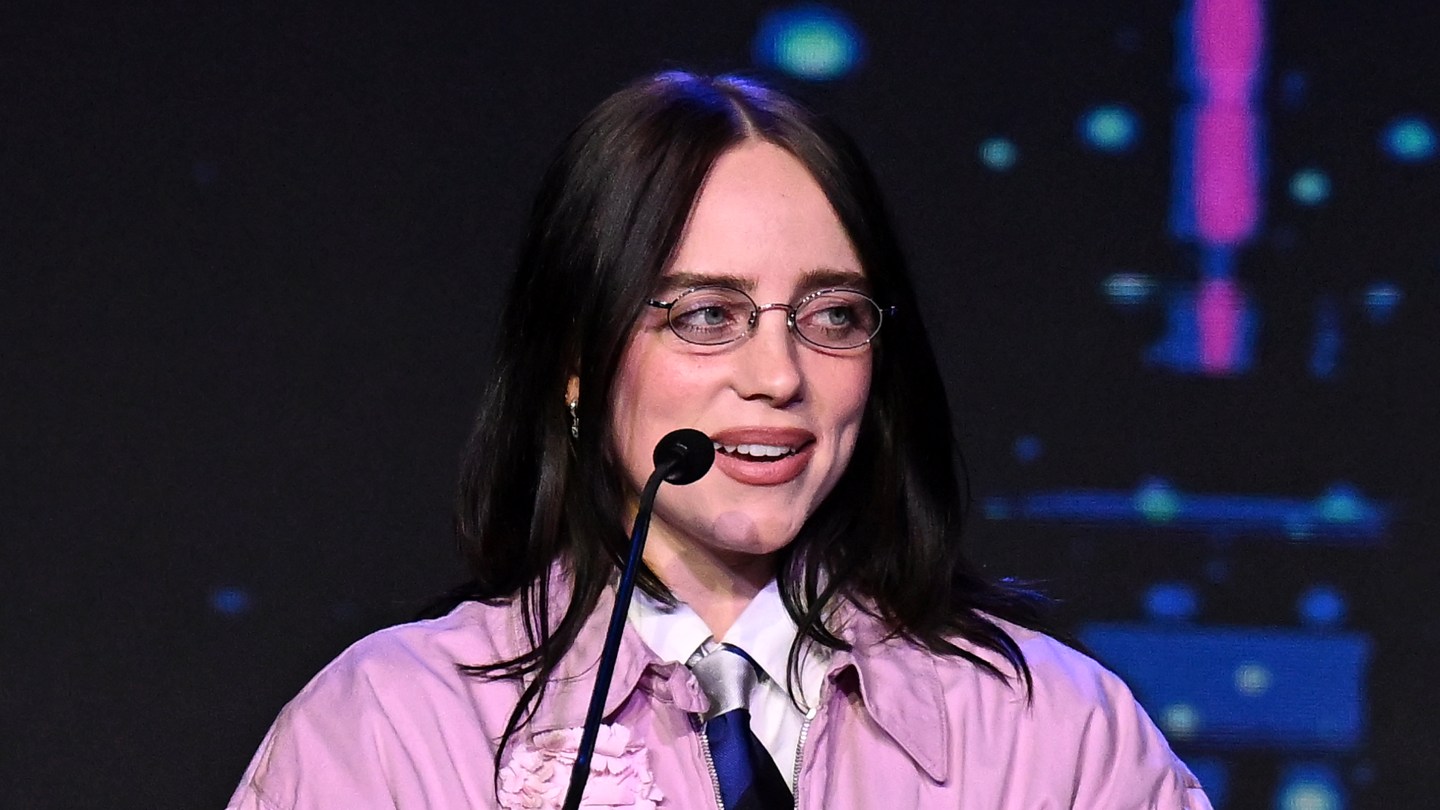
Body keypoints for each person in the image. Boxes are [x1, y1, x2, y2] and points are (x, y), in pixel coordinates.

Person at [227, 71, 1212, 809]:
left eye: (832, 315)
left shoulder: (1053, 734)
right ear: (575, 359)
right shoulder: (394, 729)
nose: (778, 375)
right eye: (707, 315)